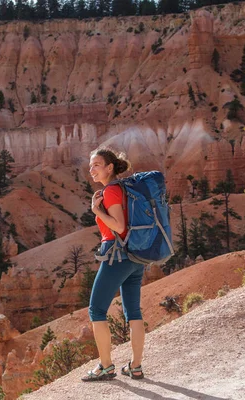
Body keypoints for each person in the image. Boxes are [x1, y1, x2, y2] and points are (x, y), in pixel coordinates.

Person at [81, 148, 146, 382]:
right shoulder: (125, 188)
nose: (92, 169)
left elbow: (118, 226)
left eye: (96, 164)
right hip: (136, 255)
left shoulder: (111, 191)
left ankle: (106, 366)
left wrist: (96, 210)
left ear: (110, 168)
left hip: (117, 255)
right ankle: (135, 367)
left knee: (96, 309)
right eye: (90, 165)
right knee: (133, 312)